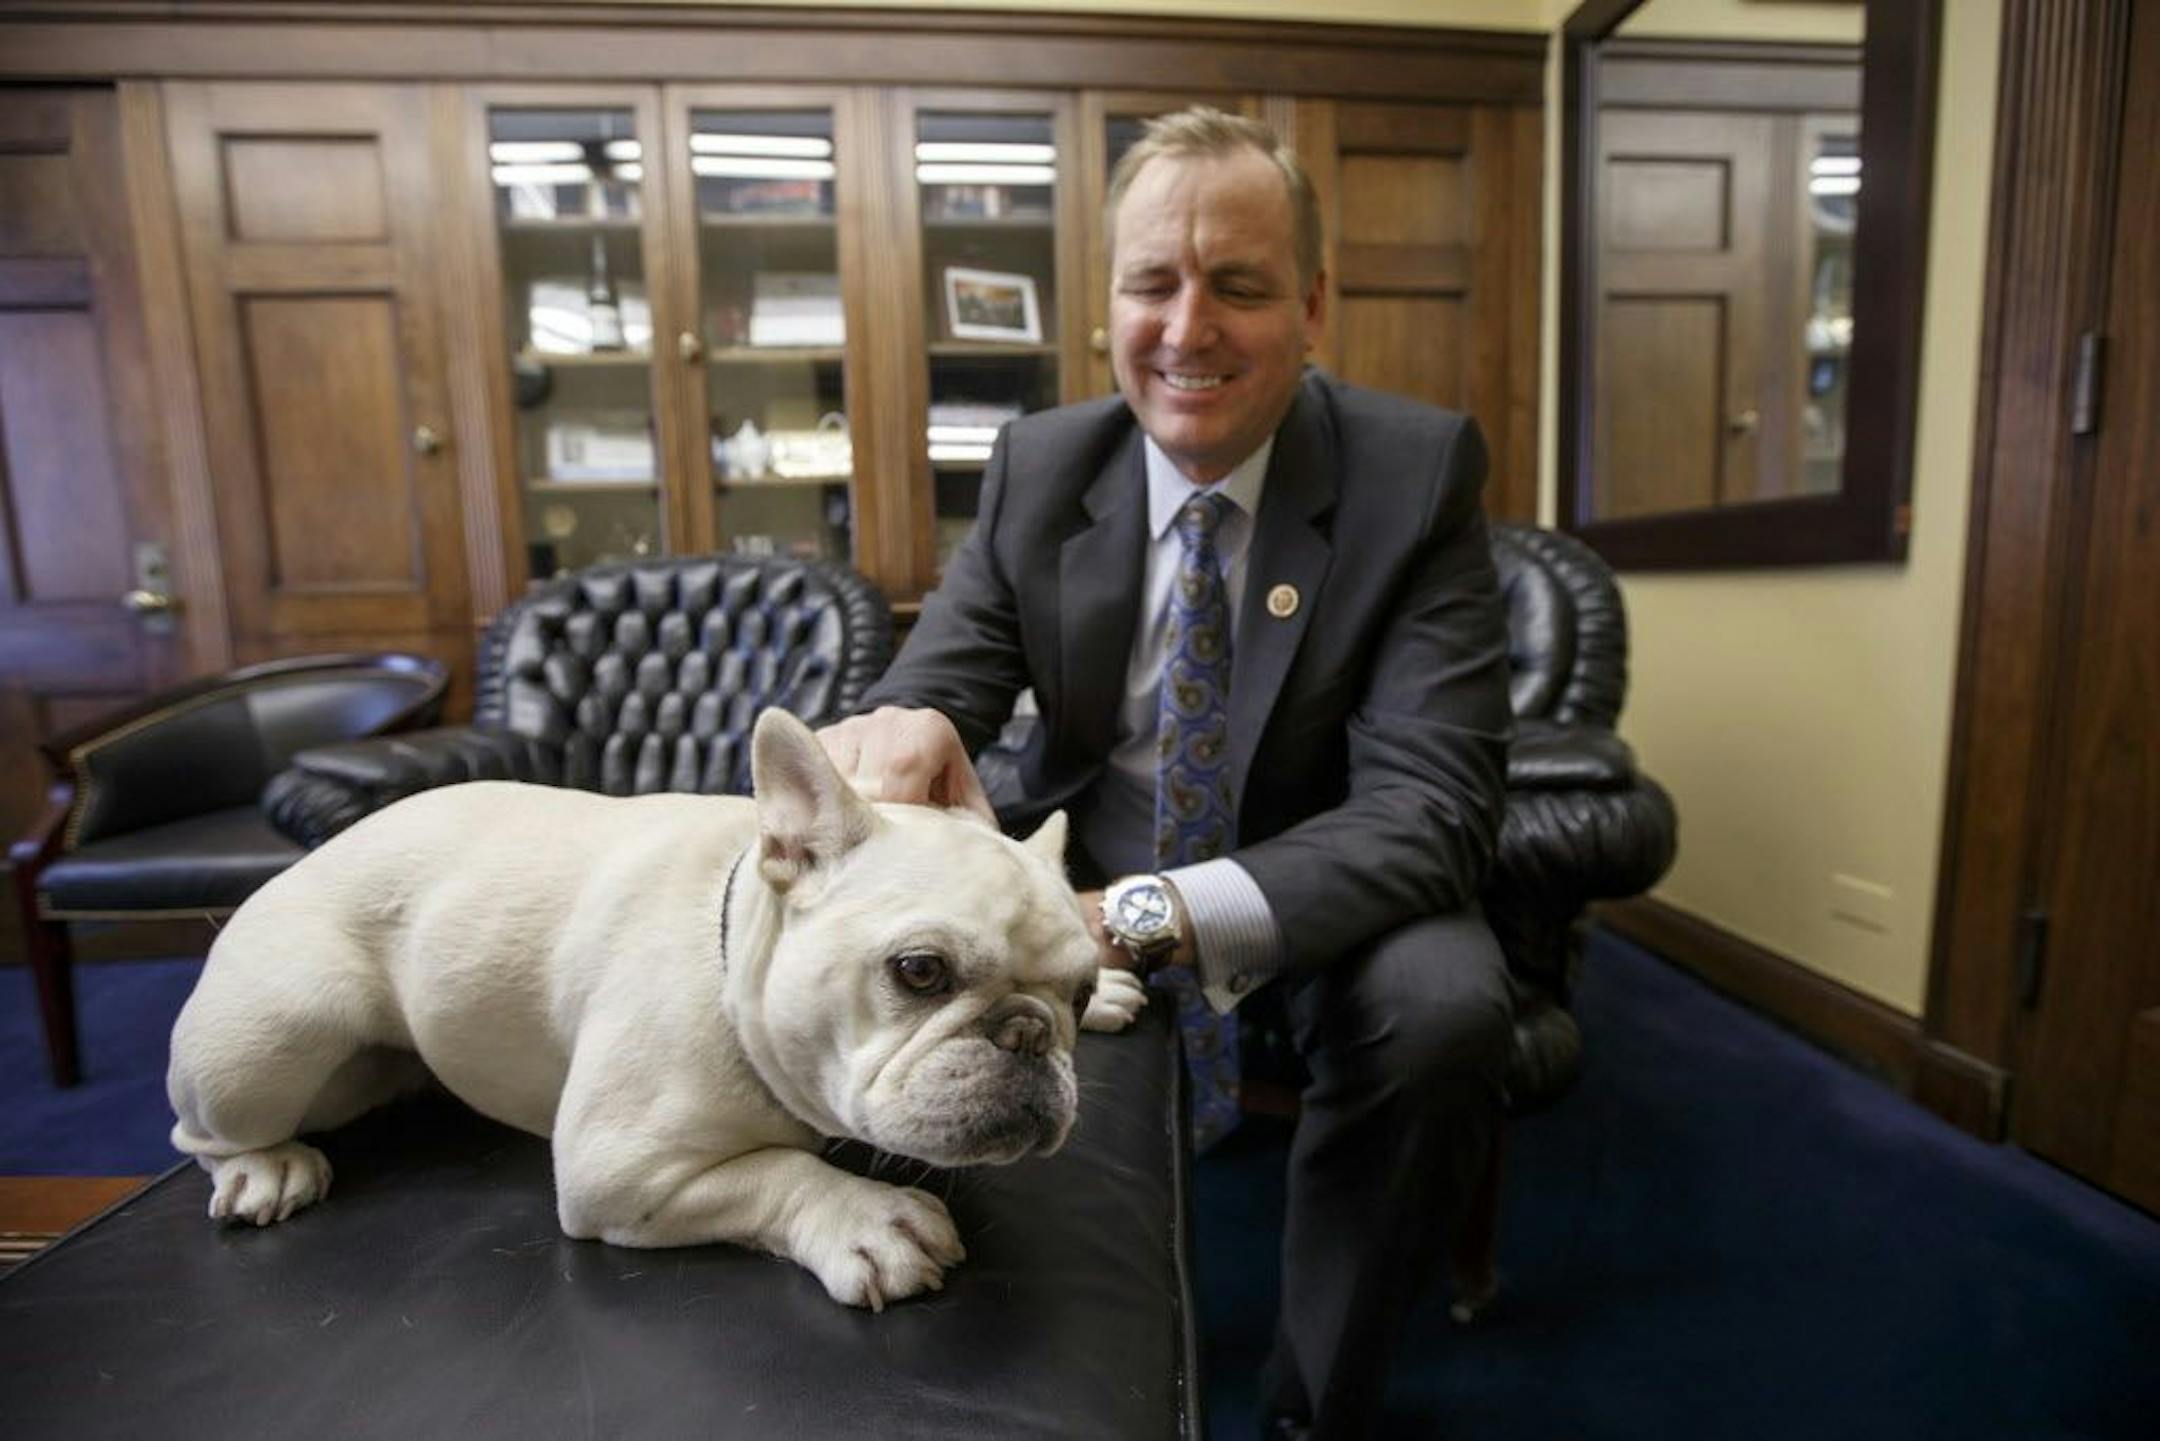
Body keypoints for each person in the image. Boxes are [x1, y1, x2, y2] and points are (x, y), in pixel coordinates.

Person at [819, 106, 1514, 1441]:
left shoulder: (1415, 471)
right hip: (1092, 840)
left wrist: (1144, 915)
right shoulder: (1039, 464)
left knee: (1444, 1003)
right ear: (1110, 302)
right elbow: (948, 676)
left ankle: (1319, 1409)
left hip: (1322, 856)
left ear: (1311, 302)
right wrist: (906, 719)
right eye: (1154, 282)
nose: (1187, 328)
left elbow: (1435, 808)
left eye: (1239, 285)